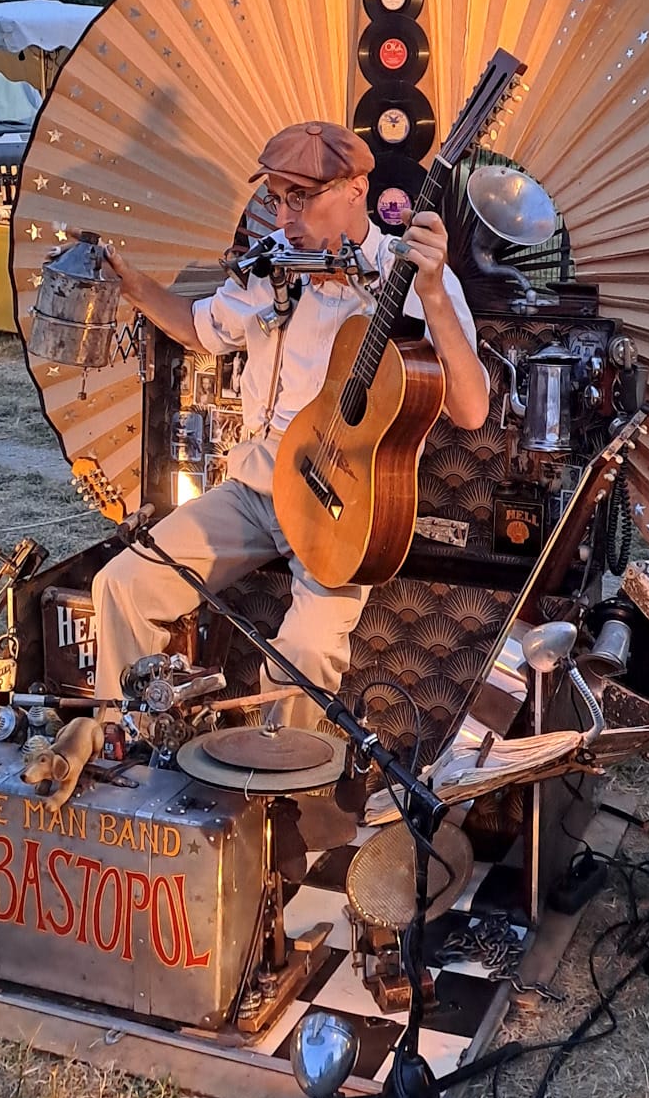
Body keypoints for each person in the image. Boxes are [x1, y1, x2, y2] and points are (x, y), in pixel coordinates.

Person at [91, 121, 489, 729]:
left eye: (301, 198)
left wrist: (433, 293)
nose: (285, 216)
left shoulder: (406, 274)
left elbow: (471, 409)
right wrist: (133, 286)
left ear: (358, 189)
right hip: (254, 487)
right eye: (277, 198)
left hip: (340, 504)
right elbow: (202, 329)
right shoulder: (270, 265)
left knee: (303, 655)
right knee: (121, 583)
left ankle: (280, 796)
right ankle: (134, 748)